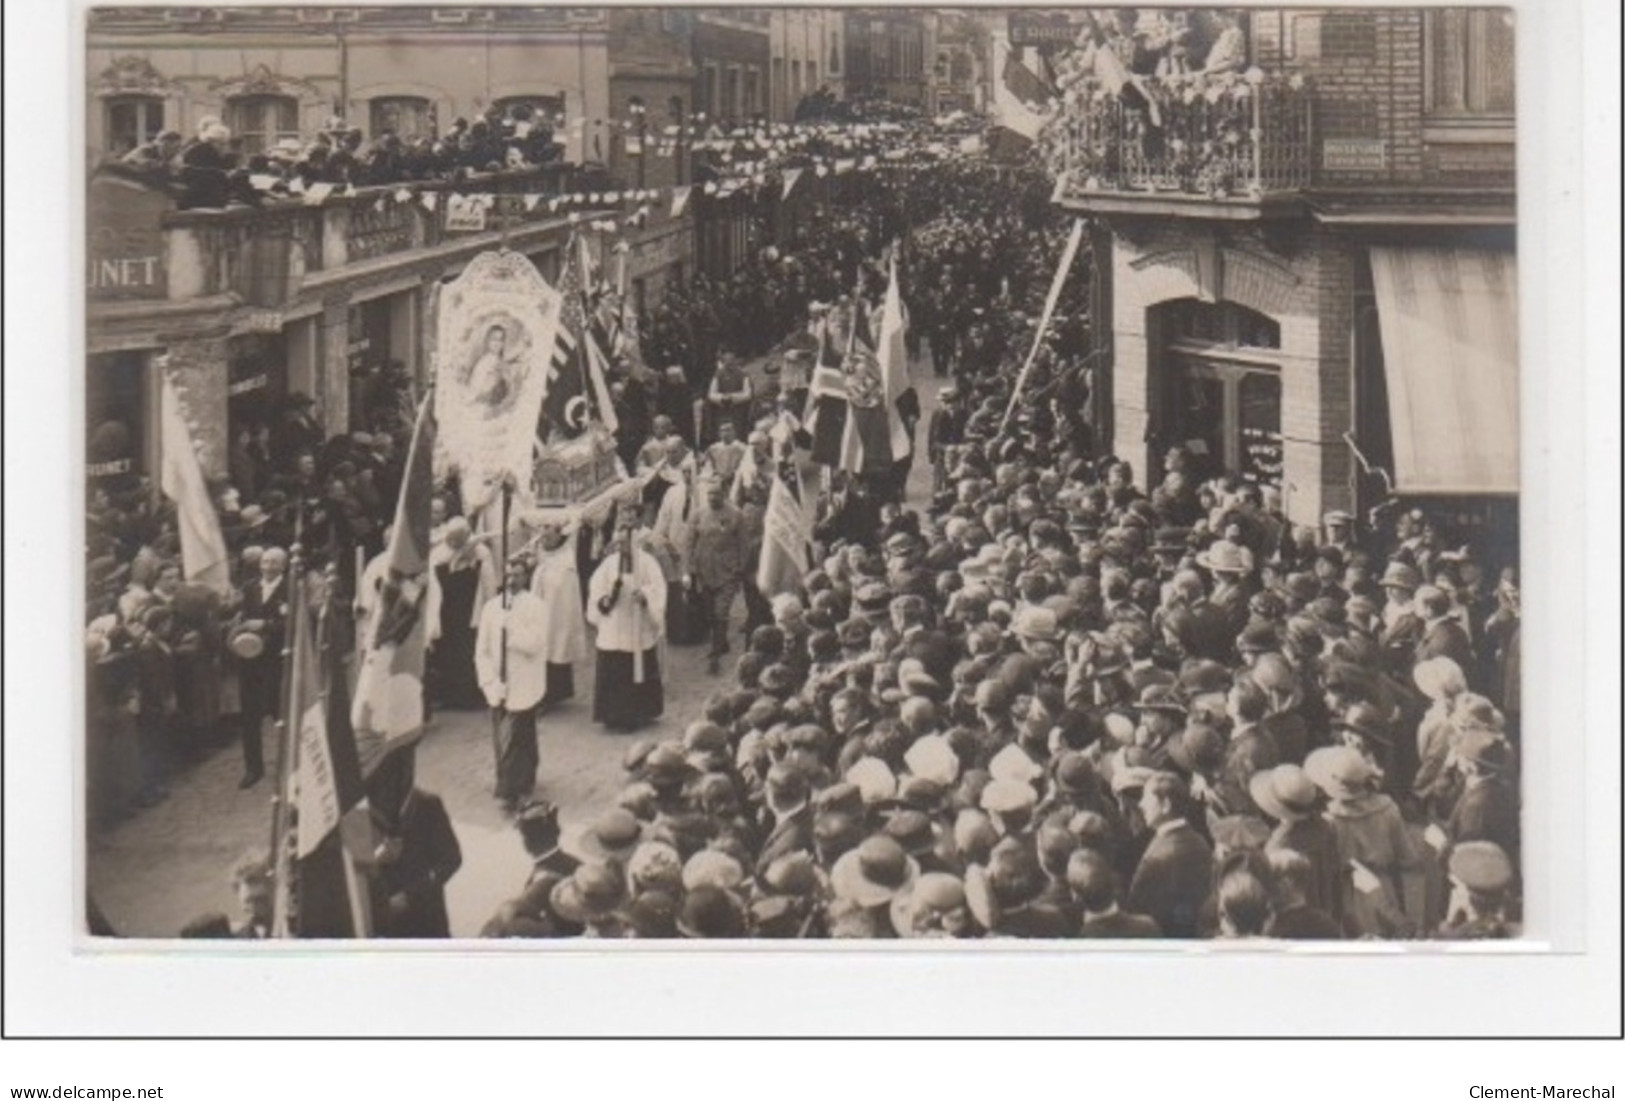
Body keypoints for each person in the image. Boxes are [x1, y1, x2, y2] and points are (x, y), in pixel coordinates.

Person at [360, 750, 463, 938]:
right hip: (388, 929)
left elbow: (451, 859)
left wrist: (411, 896)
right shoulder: (359, 818)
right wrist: (376, 860)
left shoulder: (427, 805)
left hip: (429, 920)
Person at [476, 557, 551, 812]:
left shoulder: (536, 606)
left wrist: (513, 632)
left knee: (519, 735)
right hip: (498, 684)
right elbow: (482, 650)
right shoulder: (491, 608)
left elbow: (536, 643)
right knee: (502, 735)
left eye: (518, 575)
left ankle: (519, 787)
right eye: (508, 575)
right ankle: (509, 783)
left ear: (526, 577)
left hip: (525, 680)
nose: (512, 580)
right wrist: (489, 680)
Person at [587, 510, 668, 732]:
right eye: (619, 542)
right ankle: (611, 714)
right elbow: (596, 587)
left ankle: (636, 714)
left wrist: (646, 597)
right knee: (614, 670)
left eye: (625, 543)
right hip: (613, 624)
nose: (621, 547)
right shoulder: (609, 564)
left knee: (636, 668)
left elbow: (658, 588)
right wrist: (606, 598)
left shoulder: (648, 563)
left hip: (636, 625)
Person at [1126, 772, 1213, 938]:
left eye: (1147, 798)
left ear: (1165, 805)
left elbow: (1135, 908)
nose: (1141, 804)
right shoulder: (1200, 841)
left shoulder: (1156, 859)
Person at [232, 545, 289, 789]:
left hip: (278, 659)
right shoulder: (249, 588)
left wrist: (266, 624)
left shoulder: (291, 588)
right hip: (250, 659)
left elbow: (294, 623)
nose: (268, 567)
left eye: (274, 562)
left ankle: (290, 764)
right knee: (249, 716)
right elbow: (241, 617)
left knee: (281, 712)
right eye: (265, 562)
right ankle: (253, 768)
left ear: (283, 565)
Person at [430, 516, 497, 710]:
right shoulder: (439, 553)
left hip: (471, 609)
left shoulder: (481, 552)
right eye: (453, 540)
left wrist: (490, 608)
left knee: (470, 651)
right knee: (448, 651)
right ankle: (449, 695)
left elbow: (489, 582)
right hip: (448, 610)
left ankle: (471, 695)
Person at [687, 477, 750, 675]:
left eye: (716, 493)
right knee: (709, 613)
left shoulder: (736, 515)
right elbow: (689, 542)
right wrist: (690, 568)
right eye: (709, 493)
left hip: (727, 572)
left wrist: (739, 568)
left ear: (724, 493)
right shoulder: (698, 515)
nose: (712, 497)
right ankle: (721, 641)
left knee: (720, 612)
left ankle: (715, 655)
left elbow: (744, 544)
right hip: (705, 571)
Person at [527, 521, 588, 710]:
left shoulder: (565, 562)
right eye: (543, 532)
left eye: (550, 533)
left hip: (557, 615)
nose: (545, 537)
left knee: (555, 647)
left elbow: (564, 594)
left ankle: (551, 694)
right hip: (540, 610)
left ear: (559, 536)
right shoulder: (541, 555)